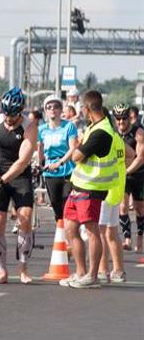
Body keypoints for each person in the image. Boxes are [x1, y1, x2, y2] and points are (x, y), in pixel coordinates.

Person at [59, 90, 125, 289]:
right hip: (78, 186)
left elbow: (76, 156)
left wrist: (80, 149)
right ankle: (80, 272)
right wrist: (80, 149)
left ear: (87, 109)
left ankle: (93, 275)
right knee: (70, 229)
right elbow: (79, 152)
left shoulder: (101, 132)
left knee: (92, 230)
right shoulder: (93, 127)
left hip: (92, 188)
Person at [0, 87, 37, 285]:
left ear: (20, 111)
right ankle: (2, 271)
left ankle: (23, 269)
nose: (8, 118)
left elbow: (23, 161)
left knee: (25, 218)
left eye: (12, 115)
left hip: (19, 176)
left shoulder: (29, 126)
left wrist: (4, 179)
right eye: (6, 113)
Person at [38, 95, 77, 234]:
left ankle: (69, 235)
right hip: (50, 171)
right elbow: (40, 148)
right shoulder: (41, 129)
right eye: (49, 107)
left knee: (66, 202)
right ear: (45, 111)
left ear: (61, 109)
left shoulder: (69, 126)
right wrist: (39, 165)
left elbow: (73, 148)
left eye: (56, 106)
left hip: (67, 169)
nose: (52, 109)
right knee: (55, 204)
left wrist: (60, 162)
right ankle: (61, 234)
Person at [112, 103, 144, 253]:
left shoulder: (139, 133)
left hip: (138, 174)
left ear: (129, 118)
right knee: (123, 207)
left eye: (124, 118)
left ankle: (140, 238)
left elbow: (140, 158)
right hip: (122, 175)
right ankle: (127, 239)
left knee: (139, 209)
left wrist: (126, 171)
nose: (121, 122)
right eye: (118, 119)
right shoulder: (113, 134)